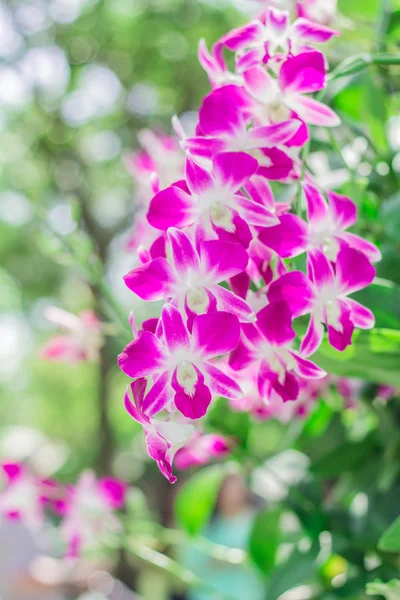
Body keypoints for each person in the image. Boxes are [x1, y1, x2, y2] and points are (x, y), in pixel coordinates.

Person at [180, 475, 264, 600]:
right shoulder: (203, 526)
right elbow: (190, 565)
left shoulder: (259, 523)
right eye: (224, 488)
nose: (230, 493)